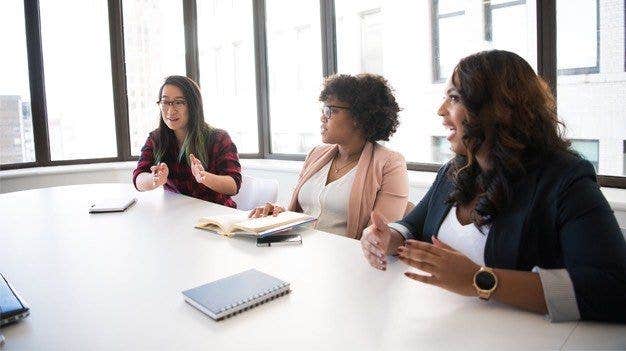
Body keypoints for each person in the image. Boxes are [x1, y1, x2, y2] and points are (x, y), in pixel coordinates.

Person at [360, 50, 626, 323]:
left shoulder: (566, 180)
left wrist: (480, 279)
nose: (441, 110)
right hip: (449, 328)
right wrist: (388, 237)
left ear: (498, 109)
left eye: (454, 98)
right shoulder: (455, 170)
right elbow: (414, 226)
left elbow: (613, 287)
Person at [249, 74, 409, 239]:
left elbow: (380, 236)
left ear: (359, 117)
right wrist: (280, 214)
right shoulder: (316, 154)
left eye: (331, 110)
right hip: (298, 250)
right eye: (323, 109)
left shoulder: (389, 163)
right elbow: (303, 211)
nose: (322, 117)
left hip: (345, 259)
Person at [132, 75, 242, 208]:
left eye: (179, 102)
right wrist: (154, 179)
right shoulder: (156, 139)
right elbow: (138, 178)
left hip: (215, 218)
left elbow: (233, 185)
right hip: (177, 216)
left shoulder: (219, 138)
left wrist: (204, 177)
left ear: (193, 105)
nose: (171, 110)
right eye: (165, 102)